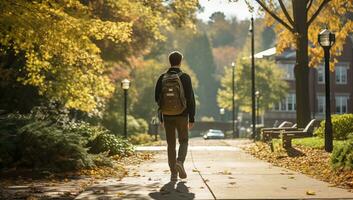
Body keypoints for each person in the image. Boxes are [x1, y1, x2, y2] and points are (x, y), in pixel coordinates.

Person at [154, 51, 196, 181]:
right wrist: (192, 118)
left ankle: (173, 174)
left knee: (170, 144)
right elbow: (190, 99)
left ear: (170, 61)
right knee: (183, 141)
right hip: (182, 115)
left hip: (167, 115)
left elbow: (157, 98)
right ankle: (180, 161)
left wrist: (161, 116)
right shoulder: (185, 77)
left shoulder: (162, 77)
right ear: (180, 61)